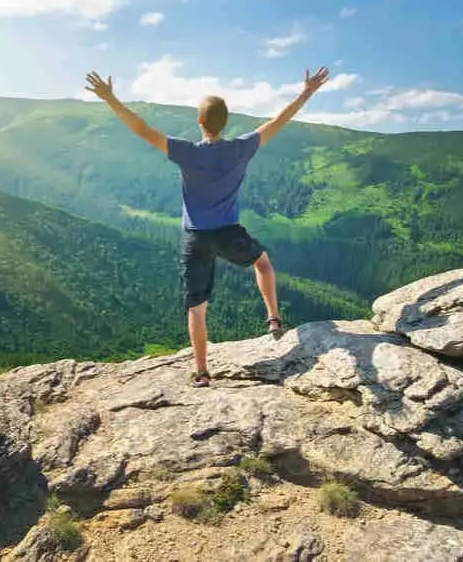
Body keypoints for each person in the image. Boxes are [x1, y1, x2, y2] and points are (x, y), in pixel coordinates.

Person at [83, 66, 331, 387]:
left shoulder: (186, 152)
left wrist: (111, 99)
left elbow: (141, 129)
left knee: (197, 308)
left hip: (196, 238)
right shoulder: (241, 148)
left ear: (200, 121)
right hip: (229, 233)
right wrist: (307, 92)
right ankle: (273, 318)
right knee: (263, 263)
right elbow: (279, 121)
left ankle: (201, 372)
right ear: (225, 122)